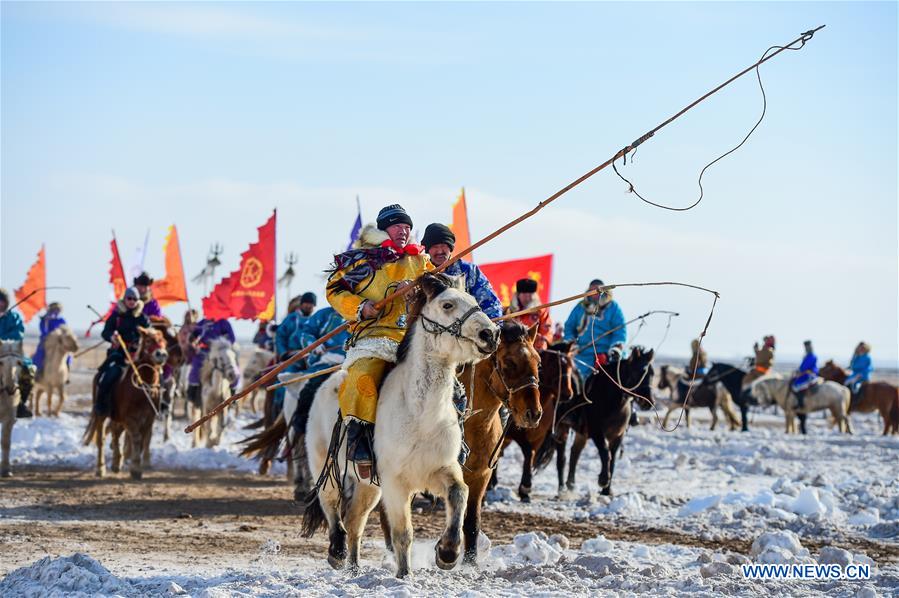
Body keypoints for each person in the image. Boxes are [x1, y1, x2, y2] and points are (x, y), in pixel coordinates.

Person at [326, 204, 432, 478]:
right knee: (363, 375)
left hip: (413, 337)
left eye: (408, 226)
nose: (405, 230)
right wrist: (362, 307)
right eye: (398, 225)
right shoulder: (363, 260)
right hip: (374, 336)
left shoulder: (420, 260)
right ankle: (360, 440)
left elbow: (439, 285)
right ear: (385, 228)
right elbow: (334, 289)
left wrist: (419, 289)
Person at [421, 223, 503, 320]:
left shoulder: (468, 271)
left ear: (450, 247)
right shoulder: (420, 272)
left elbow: (490, 303)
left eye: (443, 245)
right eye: (435, 246)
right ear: (428, 250)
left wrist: (492, 327)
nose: (439, 251)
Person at [95, 287, 151, 416]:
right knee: (111, 375)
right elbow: (105, 332)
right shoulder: (116, 316)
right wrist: (112, 337)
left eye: (135, 299)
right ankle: (101, 404)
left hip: (138, 356)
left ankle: (159, 403)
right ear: (124, 299)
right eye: (129, 298)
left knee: (155, 375)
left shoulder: (143, 318)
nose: (132, 301)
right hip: (119, 355)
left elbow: (150, 333)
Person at [563, 279, 626, 381]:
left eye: (598, 290)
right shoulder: (580, 307)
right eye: (593, 291)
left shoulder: (613, 307)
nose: (596, 294)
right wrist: (571, 344)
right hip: (582, 353)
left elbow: (620, 330)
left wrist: (615, 348)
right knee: (570, 377)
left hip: (606, 353)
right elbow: (569, 327)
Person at [186, 316, 237, 407]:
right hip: (204, 352)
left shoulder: (223, 323)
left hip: (219, 353)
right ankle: (192, 393)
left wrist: (219, 343)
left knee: (232, 368)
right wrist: (192, 336)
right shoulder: (202, 323)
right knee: (195, 368)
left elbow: (231, 338)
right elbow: (195, 334)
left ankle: (233, 394)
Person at [0, 288, 35, 418]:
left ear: (6, 303)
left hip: (10, 352)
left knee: (28, 372)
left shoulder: (14, 317)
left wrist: (2, 337)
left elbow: (18, 333)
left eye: (1, 301)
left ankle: (20, 404)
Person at [505, 278, 553, 350]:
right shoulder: (508, 312)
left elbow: (547, 331)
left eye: (530, 294)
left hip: (536, 350)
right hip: (513, 351)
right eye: (524, 294)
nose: (527, 297)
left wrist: (543, 339)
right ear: (518, 295)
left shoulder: (541, 312)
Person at [32, 302, 70, 381]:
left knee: (67, 354)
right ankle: (38, 372)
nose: (56, 312)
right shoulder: (44, 319)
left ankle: (67, 372)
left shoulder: (61, 320)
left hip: (59, 342)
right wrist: (46, 321)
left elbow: (65, 330)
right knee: (40, 353)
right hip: (47, 341)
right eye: (55, 310)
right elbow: (43, 331)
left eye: (58, 310)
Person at [275, 292, 317, 359]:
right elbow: (280, 336)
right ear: (302, 304)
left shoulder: (315, 320)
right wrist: (283, 353)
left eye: (311, 304)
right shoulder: (291, 319)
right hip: (292, 356)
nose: (308, 306)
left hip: (310, 356)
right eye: (306, 303)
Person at [791, 340, 818, 410]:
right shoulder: (807, 356)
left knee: (796, 386)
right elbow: (802, 367)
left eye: (807, 347)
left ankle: (801, 404)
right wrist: (797, 371)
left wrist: (799, 373)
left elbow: (806, 368)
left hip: (810, 375)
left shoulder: (812, 356)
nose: (806, 348)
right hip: (804, 374)